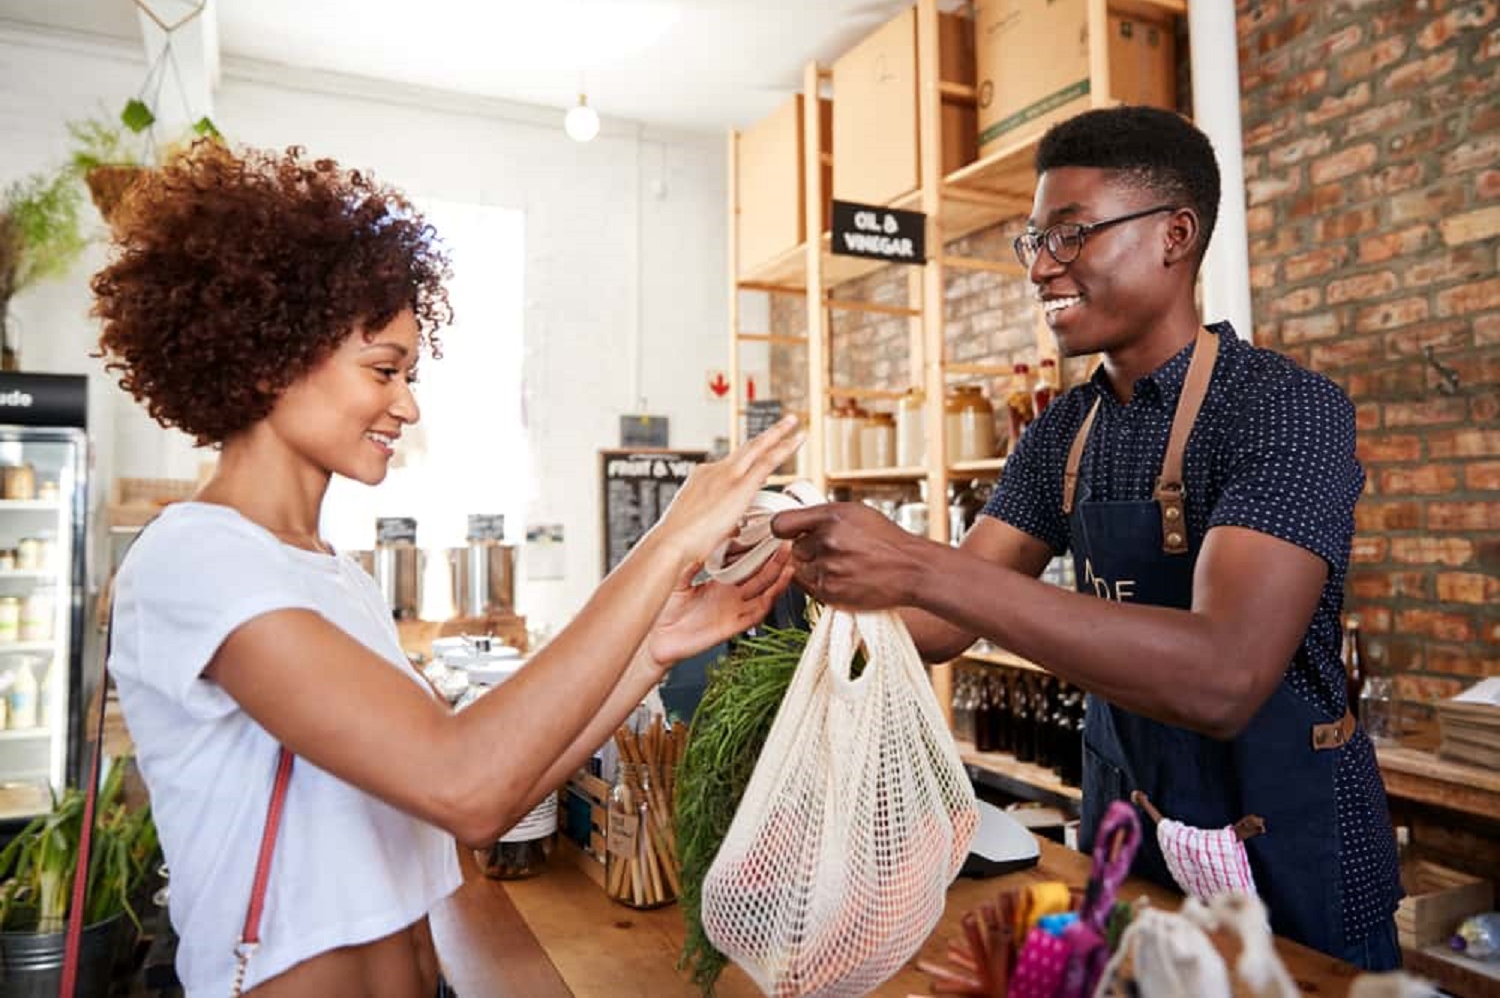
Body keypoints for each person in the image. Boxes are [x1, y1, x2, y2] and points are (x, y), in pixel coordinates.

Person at [91, 143, 803, 997]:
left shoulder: (335, 577)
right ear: (266, 362)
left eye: (411, 373)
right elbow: (463, 782)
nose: (408, 403)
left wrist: (651, 648)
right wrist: (664, 543)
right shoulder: (195, 560)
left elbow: (497, 786)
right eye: (383, 370)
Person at [770, 106, 1401, 971]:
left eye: (1070, 236)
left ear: (1175, 235)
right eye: (1033, 242)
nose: (1042, 270)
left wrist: (913, 562)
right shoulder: (1062, 431)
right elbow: (948, 620)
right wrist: (790, 603)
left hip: (1293, 854)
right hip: (1130, 835)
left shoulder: (1286, 409)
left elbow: (1225, 676)